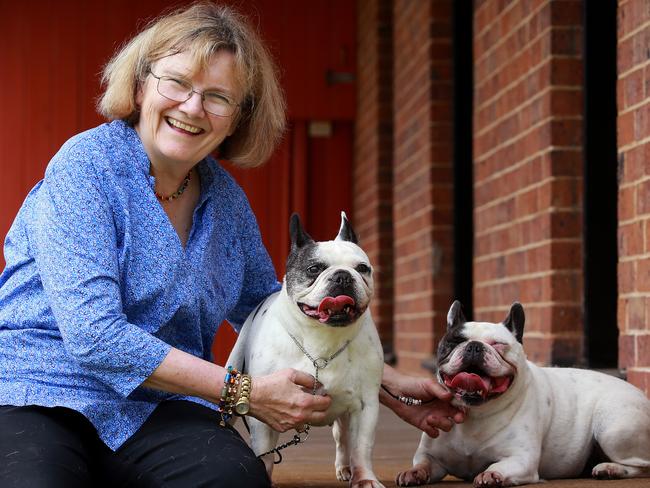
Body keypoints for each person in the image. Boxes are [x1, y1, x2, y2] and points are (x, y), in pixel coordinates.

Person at [0, 2, 462, 487]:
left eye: (218, 96)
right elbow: (94, 336)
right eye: (176, 82)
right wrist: (243, 392)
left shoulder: (226, 201)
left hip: (157, 404)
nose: (193, 107)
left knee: (234, 479)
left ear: (239, 117)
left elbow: (275, 311)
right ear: (140, 85)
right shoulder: (85, 168)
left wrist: (385, 385)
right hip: (43, 390)